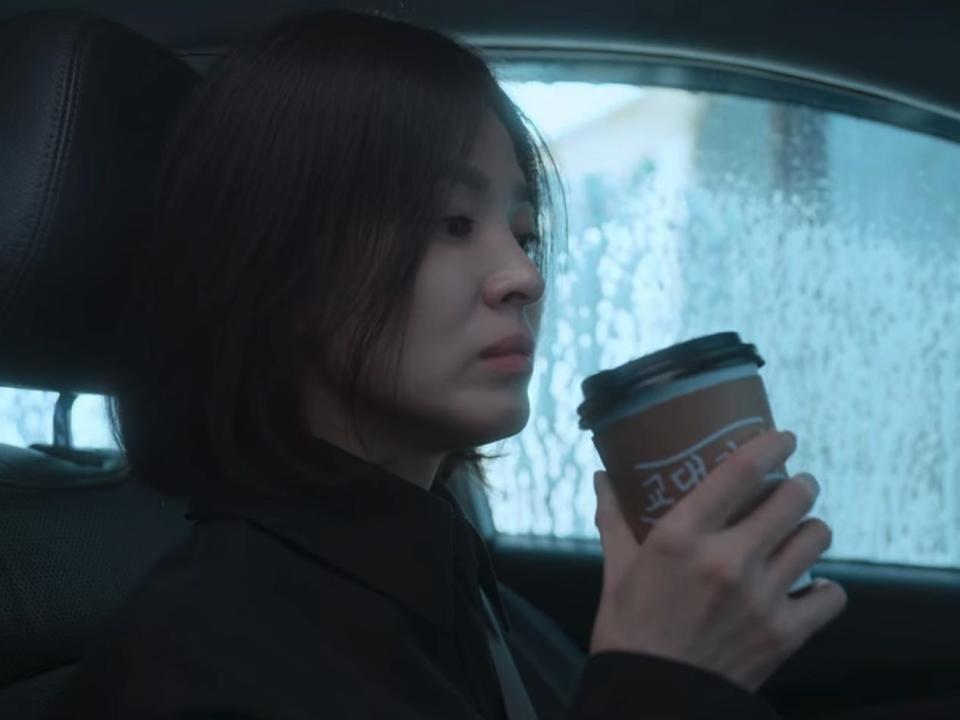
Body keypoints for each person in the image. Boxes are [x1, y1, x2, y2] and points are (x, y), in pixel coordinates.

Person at [40, 8, 847, 719]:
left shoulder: (465, 591)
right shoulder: (196, 667)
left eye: (523, 233)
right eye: (450, 223)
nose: (524, 276)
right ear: (269, 261)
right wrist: (663, 684)